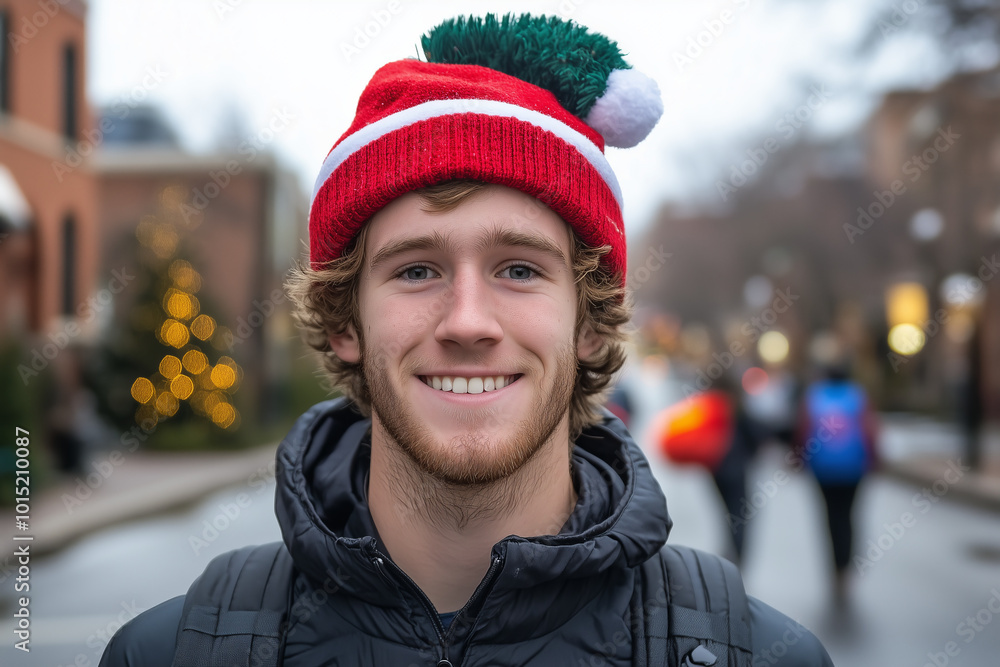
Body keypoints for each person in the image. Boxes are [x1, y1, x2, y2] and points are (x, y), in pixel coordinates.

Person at [101, 14, 832, 666]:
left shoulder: (759, 654)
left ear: (590, 321)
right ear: (344, 321)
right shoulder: (170, 651)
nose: (468, 321)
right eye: (417, 269)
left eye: (519, 269)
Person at [795, 361, 878, 606]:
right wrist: (874, 458)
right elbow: (870, 429)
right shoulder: (858, 396)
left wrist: (799, 458)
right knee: (849, 516)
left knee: (830, 517)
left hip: (823, 468)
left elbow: (803, 429)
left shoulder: (814, 396)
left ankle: (835, 569)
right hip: (854, 467)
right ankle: (846, 567)